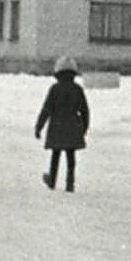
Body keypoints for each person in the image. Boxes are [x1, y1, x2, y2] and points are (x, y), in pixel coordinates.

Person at [34, 57, 90, 192]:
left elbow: (46, 109)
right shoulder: (77, 90)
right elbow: (84, 111)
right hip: (73, 127)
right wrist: (84, 128)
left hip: (57, 126)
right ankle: (70, 183)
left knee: (55, 155)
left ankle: (52, 180)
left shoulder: (54, 89)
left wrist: (39, 127)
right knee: (71, 157)